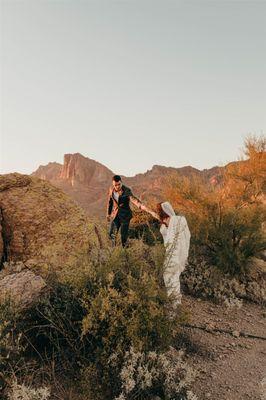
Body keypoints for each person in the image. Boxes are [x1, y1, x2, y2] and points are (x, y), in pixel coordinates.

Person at [106, 175, 157, 247]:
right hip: (116, 215)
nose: (117, 186)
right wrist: (108, 213)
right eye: (115, 185)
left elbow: (133, 199)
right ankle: (113, 251)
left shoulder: (127, 190)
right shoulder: (111, 189)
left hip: (125, 216)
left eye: (119, 184)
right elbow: (110, 202)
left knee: (123, 237)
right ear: (113, 184)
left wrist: (140, 206)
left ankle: (125, 252)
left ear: (121, 182)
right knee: (112, 234)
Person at [156, 201, 191, 306]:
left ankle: (174, 304)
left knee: (172, 278)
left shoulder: (177, 220)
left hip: (175, 253)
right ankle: (175, 303)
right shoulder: (165, 222)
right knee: (171, 279)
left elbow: (186, 235)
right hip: (169, 252)